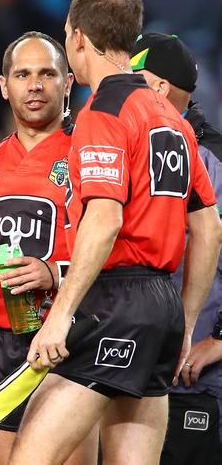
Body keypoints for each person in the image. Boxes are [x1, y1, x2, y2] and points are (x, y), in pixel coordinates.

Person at [10, 0, 222, 464]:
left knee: (31, 456)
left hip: (117, 302)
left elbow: (104, 220)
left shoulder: (103, 111)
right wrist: (185, 324)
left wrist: (60, 317)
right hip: (163, 306)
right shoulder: (172, 118)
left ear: (79, 38)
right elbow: (208, 228)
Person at [0, 31, 97, 464]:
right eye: (23, 74)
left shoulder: (90, 156)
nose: (34, 85)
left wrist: (54, 273)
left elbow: (116, 250)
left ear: (68, 83)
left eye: (47, 73)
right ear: (3, 86)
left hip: (68, 335)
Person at [129, 32, 222, 464]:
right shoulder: (122, 148)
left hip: (198, 378)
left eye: (133, 78)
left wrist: (219, 341)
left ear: (158, 88)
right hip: (127, 368)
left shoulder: (215, 160)